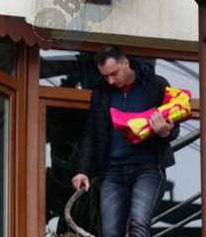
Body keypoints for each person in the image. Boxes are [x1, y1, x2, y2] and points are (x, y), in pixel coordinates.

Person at [71, 46, 179, 237]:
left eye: (114, 73)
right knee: (110, 232)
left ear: (126, 62)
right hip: (112, 171)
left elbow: (174, 127)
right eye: (105, 76)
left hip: (148, 168)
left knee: (139, 222)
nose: (111, 80)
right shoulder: (100, 93)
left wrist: (165, 132)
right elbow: (91, 133)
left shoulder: (156, 84)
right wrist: (82, 170)